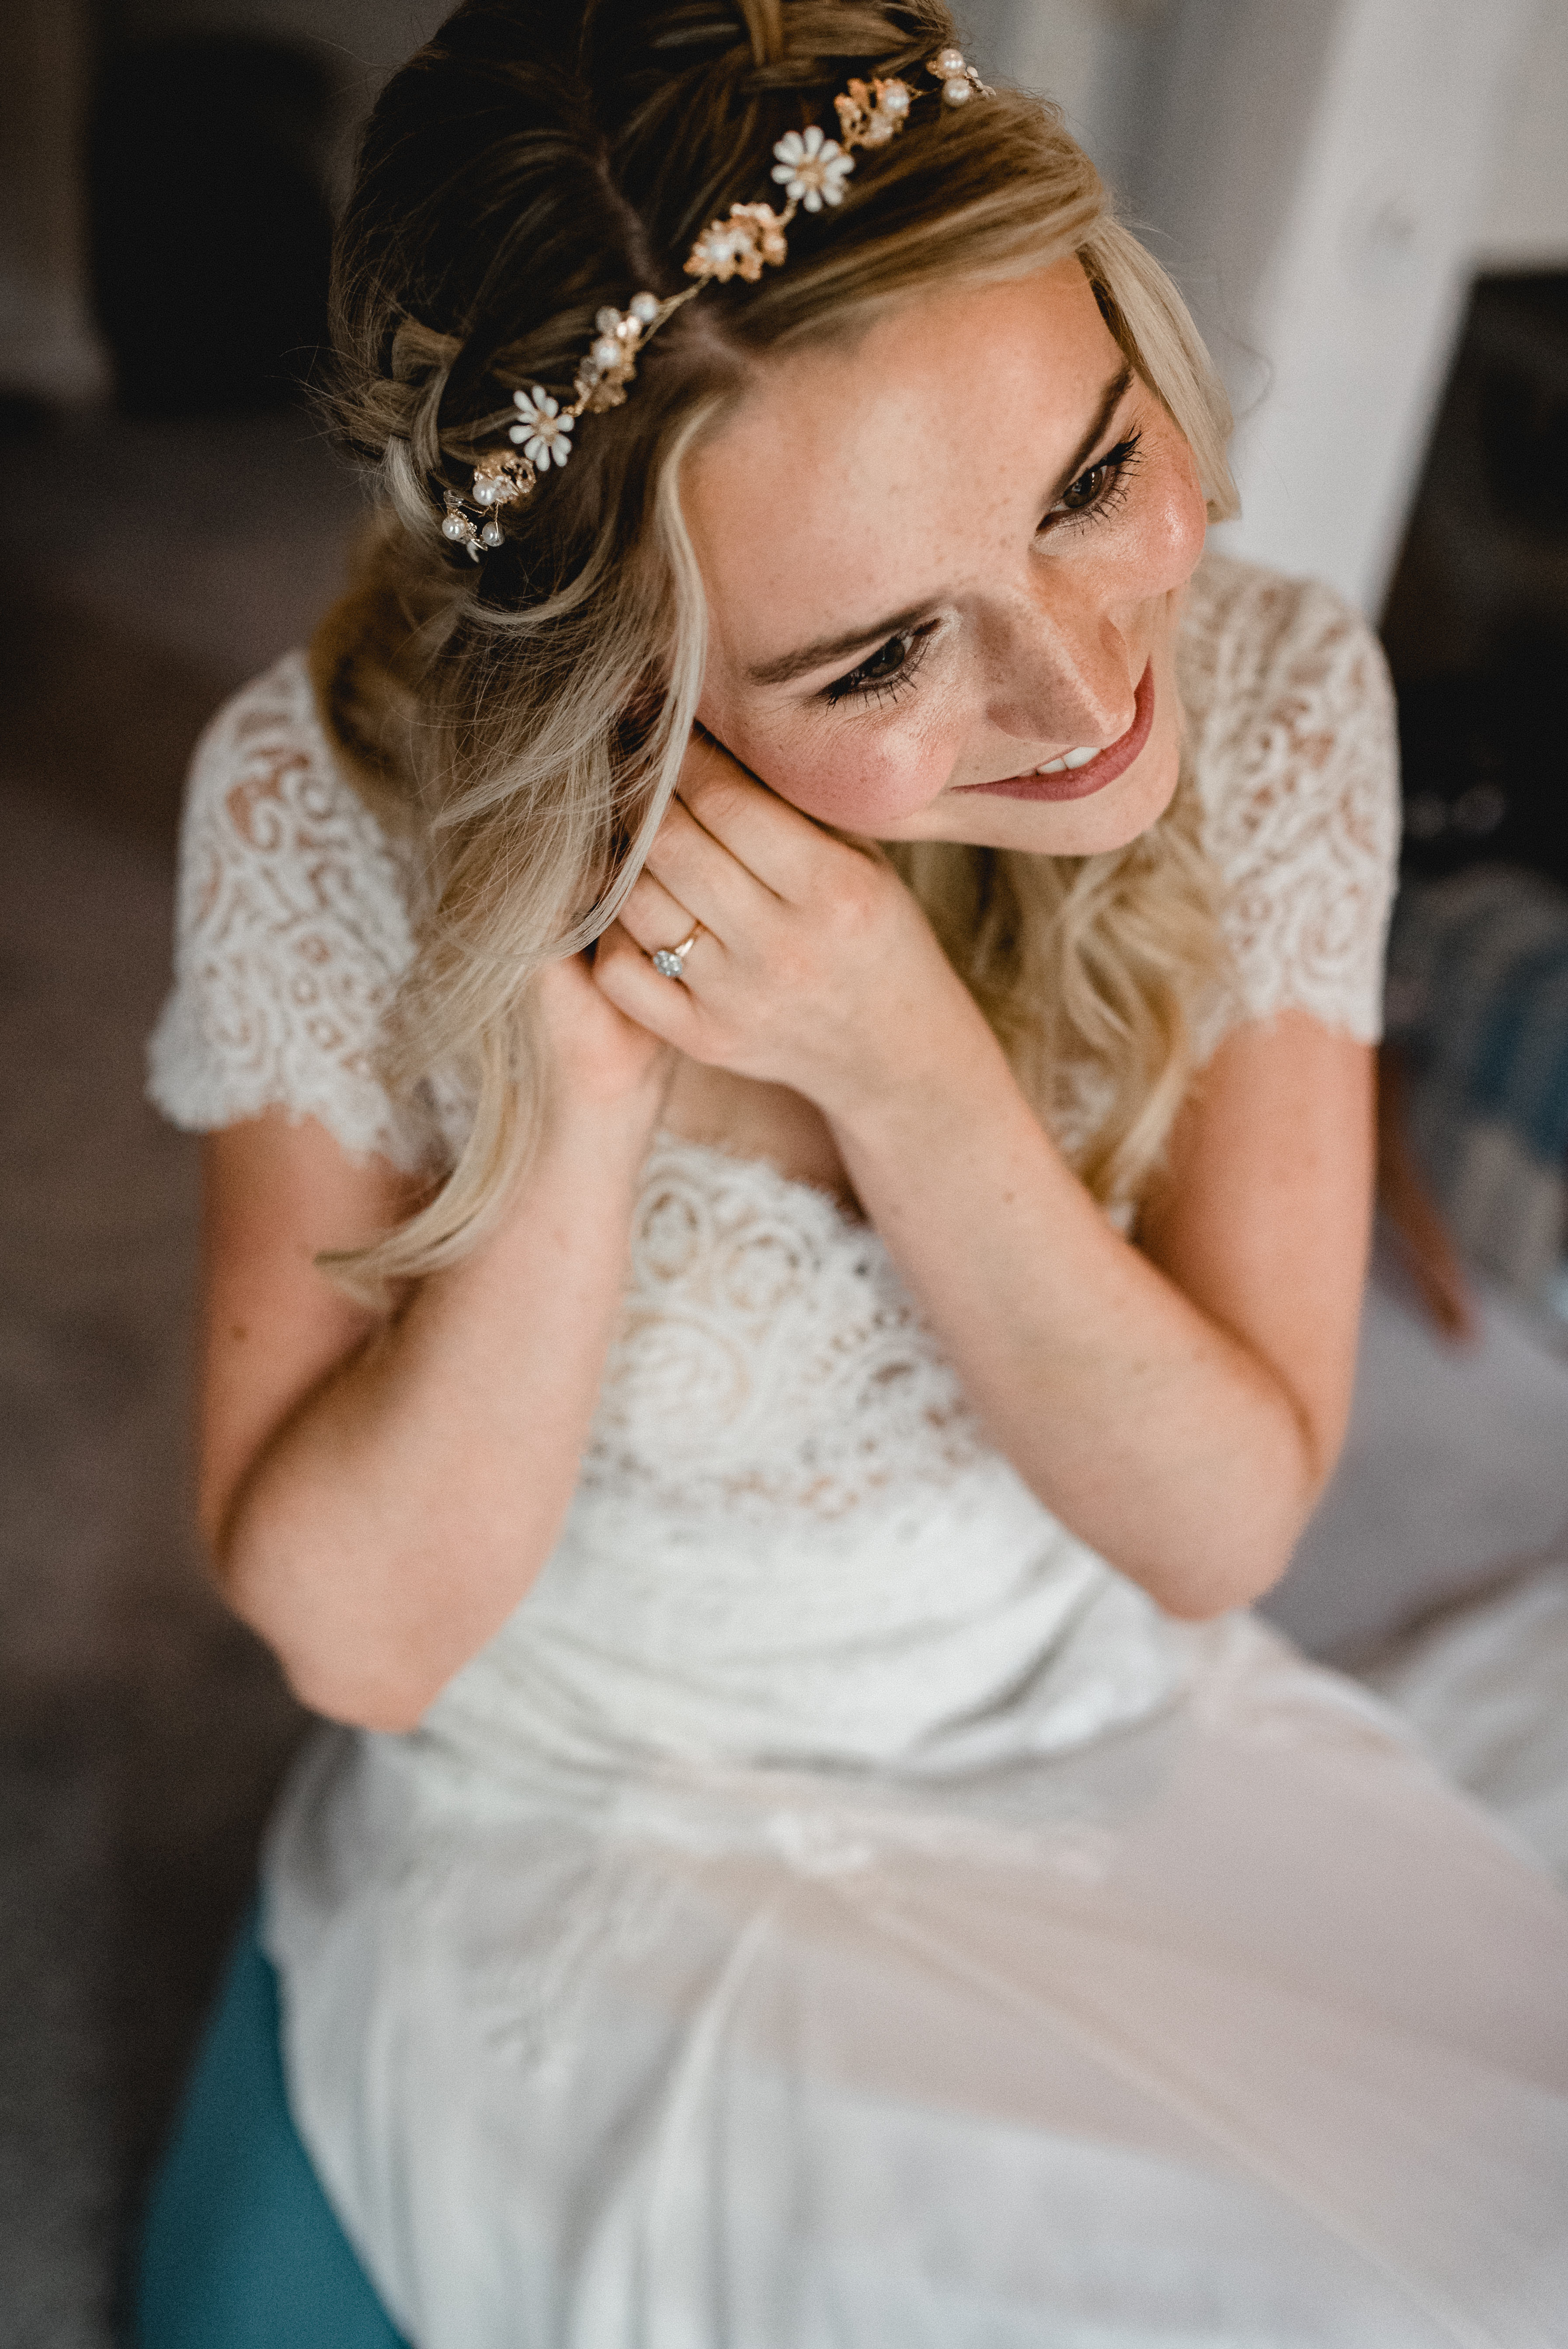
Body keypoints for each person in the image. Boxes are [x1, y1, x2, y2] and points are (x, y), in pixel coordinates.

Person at [135, 2, 1568, 2341]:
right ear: (632, 681)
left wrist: (906, 1069)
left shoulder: (1280, 693)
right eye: (887, 651)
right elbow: (364, 1642)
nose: (1085, 692)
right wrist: (576, 1072)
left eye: (1090, 479)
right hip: (595, 1831)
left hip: (1095, 1741)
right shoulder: (314, 803)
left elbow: (1216, 1531)